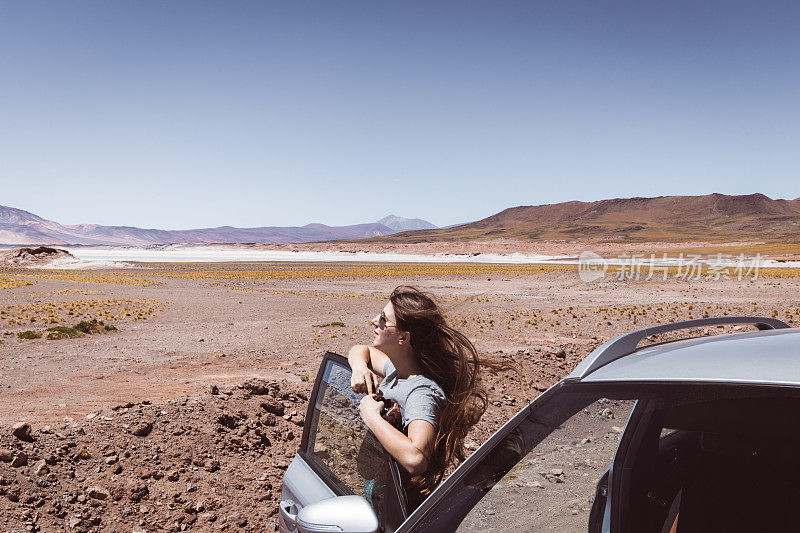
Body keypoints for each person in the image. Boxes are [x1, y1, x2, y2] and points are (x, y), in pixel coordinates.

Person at [348, 286, 517, 510]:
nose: (373, 321)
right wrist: (360, 367)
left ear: (404, 337)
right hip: (384, 491)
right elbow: (361, 350)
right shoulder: (395, 370)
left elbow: (416, 459)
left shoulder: (421, 392)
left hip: (401, 505)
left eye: (382, 319)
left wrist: (372, 417)